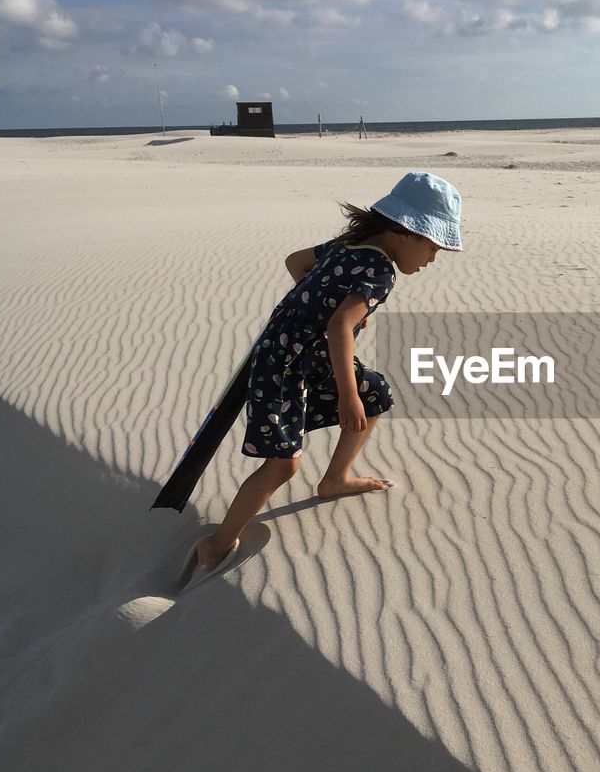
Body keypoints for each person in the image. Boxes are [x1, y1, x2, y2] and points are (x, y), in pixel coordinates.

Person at [181, 172, 463, 587]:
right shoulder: (379, 273)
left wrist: (314, 308)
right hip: (285, 367)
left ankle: (335, 479)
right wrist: (346, 394)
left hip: (295, 352)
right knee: (282, 465)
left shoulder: (346, 245)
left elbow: (295, 262)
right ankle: (220, 541)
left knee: (376, 394)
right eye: (434, 247)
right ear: (408, 233)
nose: (432, 260)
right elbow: (339, 328)